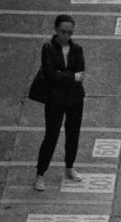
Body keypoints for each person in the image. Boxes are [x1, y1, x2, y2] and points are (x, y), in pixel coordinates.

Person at [34, 14, 86, 191]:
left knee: (73, 134)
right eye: (63, 32)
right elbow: (51, 74)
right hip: (55, 99)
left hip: (75, 99)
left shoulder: (77, 49)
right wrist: (72, 77)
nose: (66, 36)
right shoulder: (48, 48)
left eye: (70, 33)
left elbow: (81, 73)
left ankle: (69, 168)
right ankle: (40, 174)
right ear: (56, 30)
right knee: (51, 136)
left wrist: (64, 76)